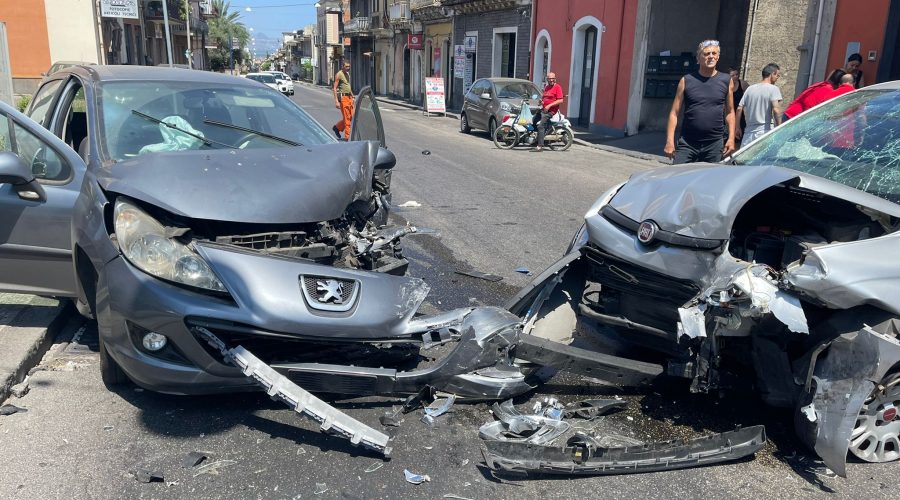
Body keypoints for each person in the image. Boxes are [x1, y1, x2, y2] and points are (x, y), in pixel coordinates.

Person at [664, 39, 736, 164]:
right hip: (688, 142)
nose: (711, 57)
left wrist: (731, 138)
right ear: (698, 58)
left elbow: (730, 112)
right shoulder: (686, 80)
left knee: (710, 181)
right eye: (706, 54)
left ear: (718, 57)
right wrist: (670, 141)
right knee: (677, 177)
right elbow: (674, 113)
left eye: (714, 53)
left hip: (714, 144)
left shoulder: (726, 80)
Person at [736, 63, 783, 145]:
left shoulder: (750, 89)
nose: (777, 78)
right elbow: (776, 109)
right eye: (777, 75)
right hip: (764, 131)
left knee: (745, 157)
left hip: (748, 133)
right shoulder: (774, 89)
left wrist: (737, 127)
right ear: (772, 74)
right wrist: (780, 127)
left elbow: (739, 109)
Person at [783, 69, 854, 120]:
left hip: (790, 114)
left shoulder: (822, 85)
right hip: (794, 118)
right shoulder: (828, 90)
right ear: (839, 83)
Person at [531, 72, 565, 152]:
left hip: (551, 111)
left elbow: (561, 100)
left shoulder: (557, 87)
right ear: (547, 80)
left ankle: (540, 146)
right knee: (534, 119)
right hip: (544, 109)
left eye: (552, 79)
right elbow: (544, 99)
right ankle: (538, 138)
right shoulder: (546, 87)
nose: (551, 80)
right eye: (549, 79)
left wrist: (549, 106)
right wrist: (541, 102)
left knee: (541, 126)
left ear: (555, 79)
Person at [332, 62, 353, 140]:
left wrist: (352, 95)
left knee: (351, 117)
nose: (348, 68)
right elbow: (334, 88)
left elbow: (347, 86)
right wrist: (336, 101)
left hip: (349, 97)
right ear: (342, 66)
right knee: (347, 119)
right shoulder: (339, 74)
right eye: (346, 66)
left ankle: (337, 127)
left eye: (349, 66)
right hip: (343, 98)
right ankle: (347, 138)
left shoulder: (347, 74)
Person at [728, 67, 750, 140]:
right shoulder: (725, 84)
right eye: (733, 75)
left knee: (740, 136)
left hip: (739, 114)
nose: (735, 76)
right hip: (728, 113)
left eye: (737, 74)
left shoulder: (742, 83)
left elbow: (751, 93)